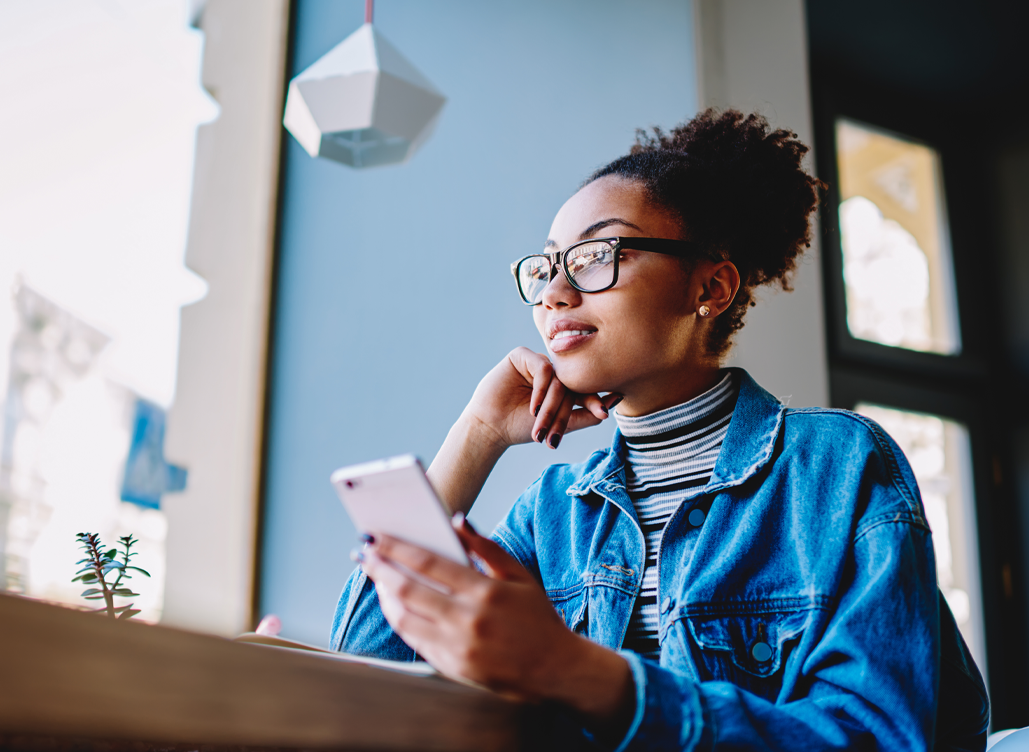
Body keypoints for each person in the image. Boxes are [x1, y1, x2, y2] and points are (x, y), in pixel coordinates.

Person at [329, 109, 990, 750]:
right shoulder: (553, 513)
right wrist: (476, 436)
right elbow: (362, 676)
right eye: (546, 268)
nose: (555, 293)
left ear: (710, 287)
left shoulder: (837, 465)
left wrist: (575, 671)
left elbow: (878, 736)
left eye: (595, 256)